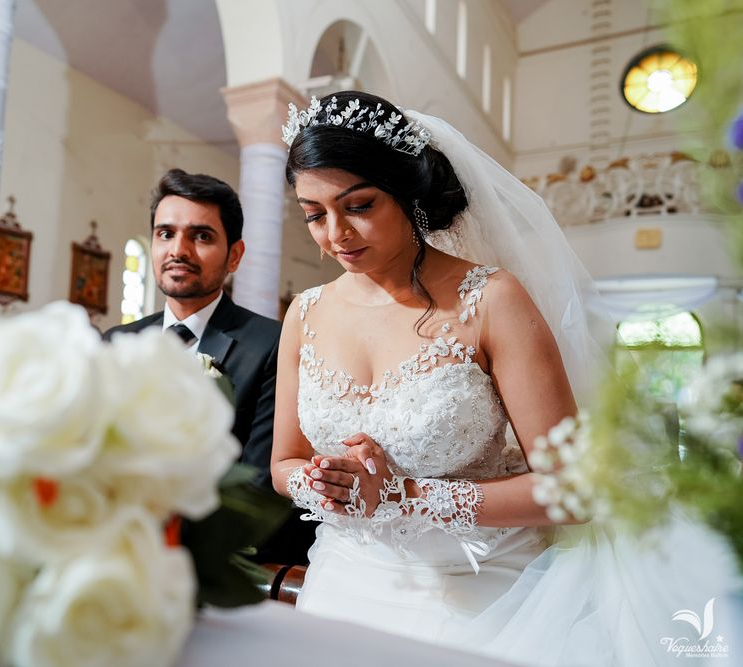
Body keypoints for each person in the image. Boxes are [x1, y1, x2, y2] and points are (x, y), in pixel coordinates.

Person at [271, 91, 739, 665]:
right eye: (314, 215)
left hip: (487, 596)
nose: (336, 234)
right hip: (344, 584)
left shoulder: (492, 299)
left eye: (359, 205)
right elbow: (283, 462)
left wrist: (403, 493)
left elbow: (571, 490)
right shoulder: (307, 312)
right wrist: (323, 483)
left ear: (407, 194)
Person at [105, 168, 316, 565]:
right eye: (165, 233)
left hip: (216, 555)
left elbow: (259, 482)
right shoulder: (117, 343)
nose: (178, 250)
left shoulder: (273, 343)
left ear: (234, 255)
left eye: (201, 236)